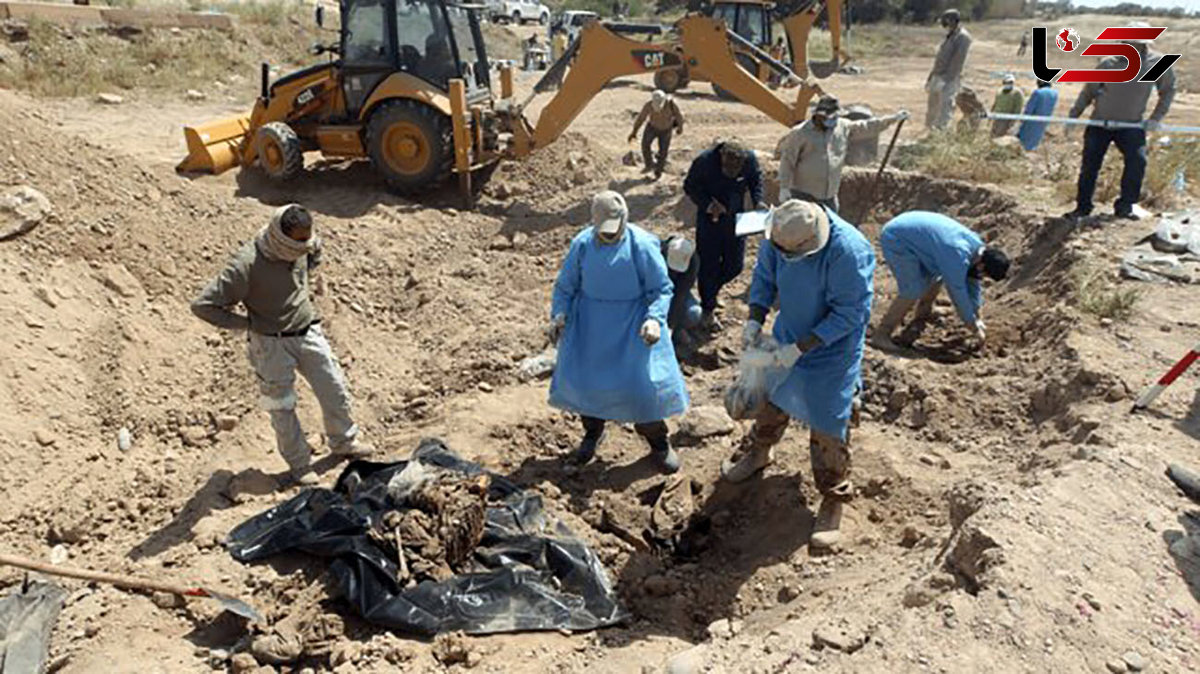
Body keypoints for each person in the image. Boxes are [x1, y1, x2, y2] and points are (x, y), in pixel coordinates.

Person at [722, 200, 875, 551]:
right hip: (789, 332)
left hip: (832, 350)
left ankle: (834, 498)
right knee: (772, 399)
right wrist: (755, 319)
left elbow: (851, 313)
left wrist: (801, 349)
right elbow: (764, 277)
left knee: (828, 422)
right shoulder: (781, 230)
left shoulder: (848, 252)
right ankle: (759, 452)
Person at [191, 205, 374, 487]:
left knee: (334, 388)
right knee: (282, 407)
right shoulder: (246, 265)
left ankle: (344, 442)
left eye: (307, 239)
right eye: (299, 241)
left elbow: (313, 255)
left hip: (307, 333)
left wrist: (303, 285)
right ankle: (300, 465)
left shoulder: (303, 246)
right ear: (282, 237)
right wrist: (248, 324)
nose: (305, 245)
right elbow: (203, 305)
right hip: (271, 346)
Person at [548, 191, 689, 474]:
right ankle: (592, 432)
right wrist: (559, 314)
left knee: (641, 388)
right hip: (591, 327)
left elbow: (661, 288)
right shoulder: (582, 245)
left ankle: (658, 442)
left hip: (633, 328)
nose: (609, 236)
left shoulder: (642, 245)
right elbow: (565, 286)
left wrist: (654, 319)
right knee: (589, 385)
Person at [1063, 20, 1176, 221]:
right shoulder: (1108, 64)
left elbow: (1167, 92)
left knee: (1137, 161)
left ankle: (1125, 206)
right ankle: (1082, 207)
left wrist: (1155, 118)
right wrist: (1073, 116)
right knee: (1090, 165)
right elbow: (1088, 93)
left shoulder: (1157, 64)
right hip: (1100, 124)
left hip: (1131, 125)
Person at [871, 211, 1010, 351]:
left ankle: (924, 312)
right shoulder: (957, 253)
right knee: (913, 288)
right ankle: (882, 334)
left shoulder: (977, 251)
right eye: (985, 274)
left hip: (915, 235)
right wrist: (973, 326)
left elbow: (972, 281)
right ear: (981, 265)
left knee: (936, 276)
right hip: (896, 238)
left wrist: (978, 315)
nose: (982, 277)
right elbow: (958, 292)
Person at [683, 140, 766, 332]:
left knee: (734, 267)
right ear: (721, 158)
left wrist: (758, 201)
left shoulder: (749, 160)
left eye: (736, 170)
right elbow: (690, 186)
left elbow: (756, 180)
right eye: (728, 168)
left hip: (736, 220)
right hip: (709, 221)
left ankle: (710, 293)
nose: (732, 172)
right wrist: (709, 204)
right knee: (708, 265)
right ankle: (707, 310)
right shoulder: (704, 162)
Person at [777, 95, 908, 212]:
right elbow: (788, 161)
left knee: (831, 232)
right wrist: (784, 187)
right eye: (830, 117)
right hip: (804, 196)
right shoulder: (800, 133)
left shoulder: (842, 126)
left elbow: (866, 127)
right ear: (820, 115)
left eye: (836, 116)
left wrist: (892, 119)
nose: (834, 120)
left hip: (829, 196)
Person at [925, 9, 973, 131]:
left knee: (945, 106)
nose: (945, 25)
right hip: (937, 75)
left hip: (949, 78)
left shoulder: (963, 37)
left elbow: (957, 62)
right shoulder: (949, 35)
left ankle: (942, 131)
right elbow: (940, 58)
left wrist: (945, 80)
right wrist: (930, 77)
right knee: (933, 106)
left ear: (953, 21)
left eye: (946, 22)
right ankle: (930, 130)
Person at [629, 89, 684, 179]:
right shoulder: (648, 105)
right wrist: (634, 132)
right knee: (645, 145)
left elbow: (679, 116)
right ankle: (649, 164)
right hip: (652, 127)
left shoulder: (671, 104)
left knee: (663, 152)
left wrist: (680, 128)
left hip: (666, 130)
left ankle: (658, 171)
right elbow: (641, 119)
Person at [661, 235, 702, 351]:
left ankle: (678, 329)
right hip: (653, 292)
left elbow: (680, 294)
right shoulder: (655, 253)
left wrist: (670, 327)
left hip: (675, 293)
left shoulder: (693, 261)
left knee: (694, 314)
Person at [1017, 80, 1058, 151]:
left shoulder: (1038, 93)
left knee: (1025, 137)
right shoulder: (1055, 93)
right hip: (1045, 119)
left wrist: (1023, 117)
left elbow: (1030, 107)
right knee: (1037, 137)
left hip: (1033, 120)